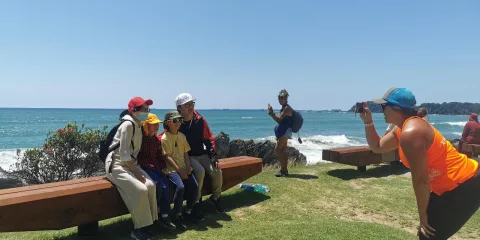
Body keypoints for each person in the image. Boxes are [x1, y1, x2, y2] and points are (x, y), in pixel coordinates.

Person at [359, 87, 480, 240]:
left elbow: (421, 181)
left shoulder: (411, 132)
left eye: (384, 106)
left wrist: (422, 216)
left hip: (466, 182)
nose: (382, 110)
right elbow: (378, 146)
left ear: (396, 108)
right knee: (427, 236)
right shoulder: (403, 128)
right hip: (453, 184)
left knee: (429, 236)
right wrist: (368, 122)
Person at [105, 97, 158, 240]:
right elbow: (123, 156)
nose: (146, 111)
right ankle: (138, 229)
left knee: (151, 186)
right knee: (140, 189)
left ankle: (148, 224)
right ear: (134, 110)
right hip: (116, 165)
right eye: (143, 108)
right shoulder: (128, 125)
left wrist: (137, 170)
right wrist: (137, 173)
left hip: (130, 164)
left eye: (147, 108)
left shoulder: (137, 124)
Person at [175, 93, 225, 214]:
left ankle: (215, 198)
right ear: (179, 108)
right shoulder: (176, 122)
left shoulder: (200, 120)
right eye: (186, 105)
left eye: (191, 103)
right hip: (188, 156)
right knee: (200, 172)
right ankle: (195, 203)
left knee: (217, 171)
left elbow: (208, 138)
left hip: (201, 154)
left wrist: (213, 155)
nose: (190, 106)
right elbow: (167, 137)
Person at [137, 113, 176, 230]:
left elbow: (159, 156)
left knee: (166, 185)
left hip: (156, 167)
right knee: (158, 185)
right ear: (146, 125)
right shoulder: (141, 138)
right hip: (145, 167)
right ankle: (155, 214)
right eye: (153, 124)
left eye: (157, 124)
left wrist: (164, 167)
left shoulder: (155, 139)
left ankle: (164, 215)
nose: (156, 127)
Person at [161, 110, 199, 228]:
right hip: (172, 169)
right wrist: (179, 170)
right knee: (180, 187)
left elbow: (186, 153)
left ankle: (188, 211)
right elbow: (167, 157)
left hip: (183, 167)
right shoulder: (165, 138)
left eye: (180, 120)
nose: (179, 123)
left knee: (194, 186)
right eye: (176, 120)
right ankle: (178, 215)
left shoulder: (182, 136)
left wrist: (188, 166)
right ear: (168, 122)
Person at [268, 89, 293, 177]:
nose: (280, 99)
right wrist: (273, 114)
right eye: (279, 97)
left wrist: (272, 113)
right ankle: (284, 170)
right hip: (285, 131)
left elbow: (279, 120)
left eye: (282, 97)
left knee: (277, 149)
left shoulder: (286, 108)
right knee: (282, 150)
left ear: (286, 98)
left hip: (285, 132)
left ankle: (283, 170)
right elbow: (280, 121)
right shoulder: (284, 108)